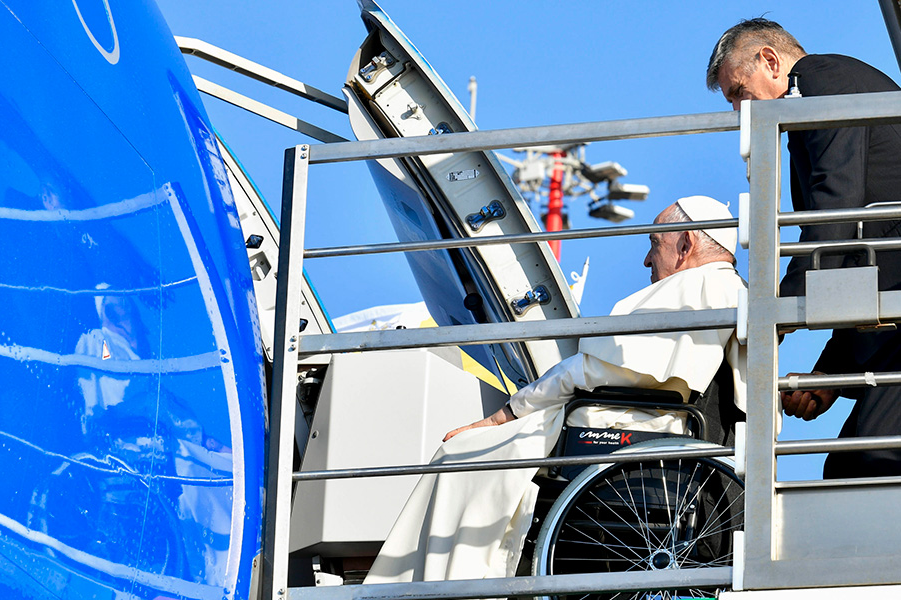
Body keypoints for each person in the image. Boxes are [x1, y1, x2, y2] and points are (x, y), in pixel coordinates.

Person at [363, 196, 746, 583]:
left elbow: (587, 370)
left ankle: (442, 583)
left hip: (619, 438)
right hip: (667, 447)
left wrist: (504, 415)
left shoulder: (694, 288)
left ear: (685, 246)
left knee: (462, 452)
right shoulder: (732, 293)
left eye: (653, 244)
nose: (647, 261)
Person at [707, 18, 901, 478]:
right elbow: (860, 256)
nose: (739, 111)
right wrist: (829, 377)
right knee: (853, 469)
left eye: (737, 91)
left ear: (770, 61)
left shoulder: (821, 79)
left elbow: (837, 205)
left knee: (865, 468)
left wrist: (780, 308)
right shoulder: (820, 93)